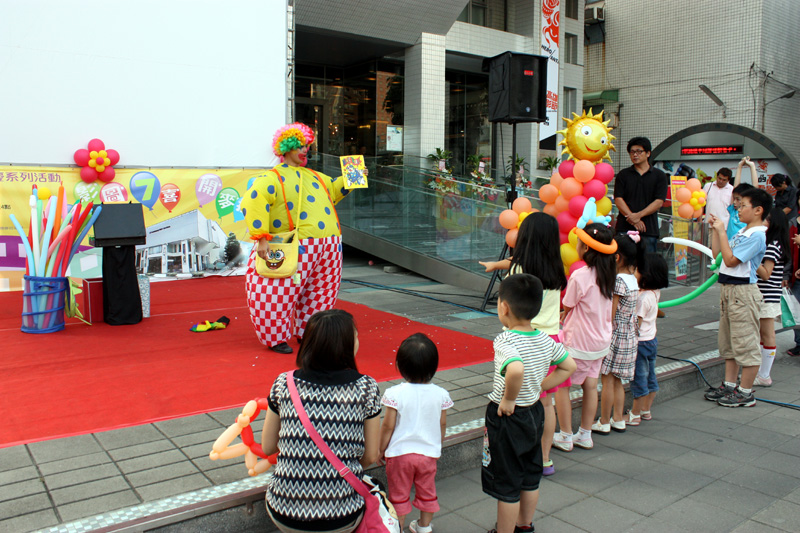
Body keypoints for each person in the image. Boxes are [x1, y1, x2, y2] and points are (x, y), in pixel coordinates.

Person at [260, 309, 381, 533]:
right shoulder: (367, 388)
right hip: (342, 513)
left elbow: (267, 446)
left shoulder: (283, 383)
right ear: (345, 344)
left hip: (284, 509)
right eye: (355, 335)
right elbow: (372, 455)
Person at [242, 123, 358, 354]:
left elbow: (334, 191)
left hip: (329, 247)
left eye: (306, 146)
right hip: (292, 245)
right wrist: (261, 238)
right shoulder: (272, 177)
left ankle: (311, 332)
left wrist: (353, 177)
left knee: (322, 292)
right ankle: (275, 338)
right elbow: (254, 201)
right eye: (299, 146)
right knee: (276, 291)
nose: (305, 150)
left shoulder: (317, 176)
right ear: (285, 148)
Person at [482, 274, 576, 533]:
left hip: (508, 417)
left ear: (504, 307)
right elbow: (569, 365)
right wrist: (544, 385)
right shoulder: (545, 338)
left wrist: (509, 399)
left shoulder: (505, 340)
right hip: (534, 413)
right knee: (529, 477)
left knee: (508, 483)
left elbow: (514, 369)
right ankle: (525, 526)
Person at [480, 213, 569, 477]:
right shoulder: (557, 267)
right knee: (546, 403)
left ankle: (515, 454)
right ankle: (544, 459)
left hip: (522, 339)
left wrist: (497, 265)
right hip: (551, 339)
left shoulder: (518, 270)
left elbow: (513, 263)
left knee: (515, 402)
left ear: (525, 237)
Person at [704, 188, 772, 407]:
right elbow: (718, 256)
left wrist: (723, 232)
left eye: (743, 205)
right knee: (729, 343)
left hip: (743, 293)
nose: (738, 209)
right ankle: (730, 385)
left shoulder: (757, 235)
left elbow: (732, 261)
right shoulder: (743, 232)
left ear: (758, 210)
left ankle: (745, 392)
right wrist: (716, 231)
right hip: (730, 291)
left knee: (745, 344)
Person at [379, 333, 453, 533]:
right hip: (428, 454)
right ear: (433, 367)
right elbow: (442, 423)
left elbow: (387, 426)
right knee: (427, 491)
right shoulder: (441, 394)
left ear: (400, 366)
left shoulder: (394, 394)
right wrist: (437, 444)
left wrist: (381, 449)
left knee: (399, 495)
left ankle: (398, 528)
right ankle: (424, 527)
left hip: (400, 454)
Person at [552, 224, 616, 452]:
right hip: (600, 342)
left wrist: (562, 314)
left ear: (586, 247)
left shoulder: (580, 275)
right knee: (591, 385)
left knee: (562, 387)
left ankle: (566, 435)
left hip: (578, 342)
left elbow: (568, 304)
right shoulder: (609, 274)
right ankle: (585, 434)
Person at [593, 232, 643, 434]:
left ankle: (604, 421)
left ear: (616, 257)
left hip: (616, 334)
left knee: (607, 380)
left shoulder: (618, 281)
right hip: (630, 334)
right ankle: (618, 419)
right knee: (619, 382)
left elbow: (611, 314)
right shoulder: (632, 280)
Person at [628, 253, 669, 425]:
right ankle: (646, 410)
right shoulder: (654, 292)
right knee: (651, 376)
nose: (634, 273)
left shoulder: (643, 299)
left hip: (641, 342)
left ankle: (634, 414)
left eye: (637, 270)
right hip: (651, 340)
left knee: (639, 378)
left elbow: (635, 324)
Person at [613, 137, 669, 252]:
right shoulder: (623, 175)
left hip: (648, 230)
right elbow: (618, 199)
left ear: (648, 153)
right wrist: (633, 218)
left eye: (639, 151)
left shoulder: (659, 176)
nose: (635, 155)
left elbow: (658, 202)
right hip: (624, 228)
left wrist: (638, 215)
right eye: (632, 152)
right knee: (623, 264)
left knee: (647, 266)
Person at [754, 208, 790, 387]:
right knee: (763, 335)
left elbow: (766, 274)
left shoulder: (773, 245)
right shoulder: (775, 244)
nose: (762, 222)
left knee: (767, 335)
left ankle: (764, 375)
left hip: (767, 296)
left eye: (766, 220)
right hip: (766, 296)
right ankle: (761, 372)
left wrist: (752, 261)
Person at [727, 157, 758, 239]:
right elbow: (735, 188)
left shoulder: (749, 211)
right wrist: (740, 166)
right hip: (729, 246)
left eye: (738, 199)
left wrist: (752, 166)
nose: (734, 202)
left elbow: (756, 190)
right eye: (734, 198)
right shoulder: (733, 210)